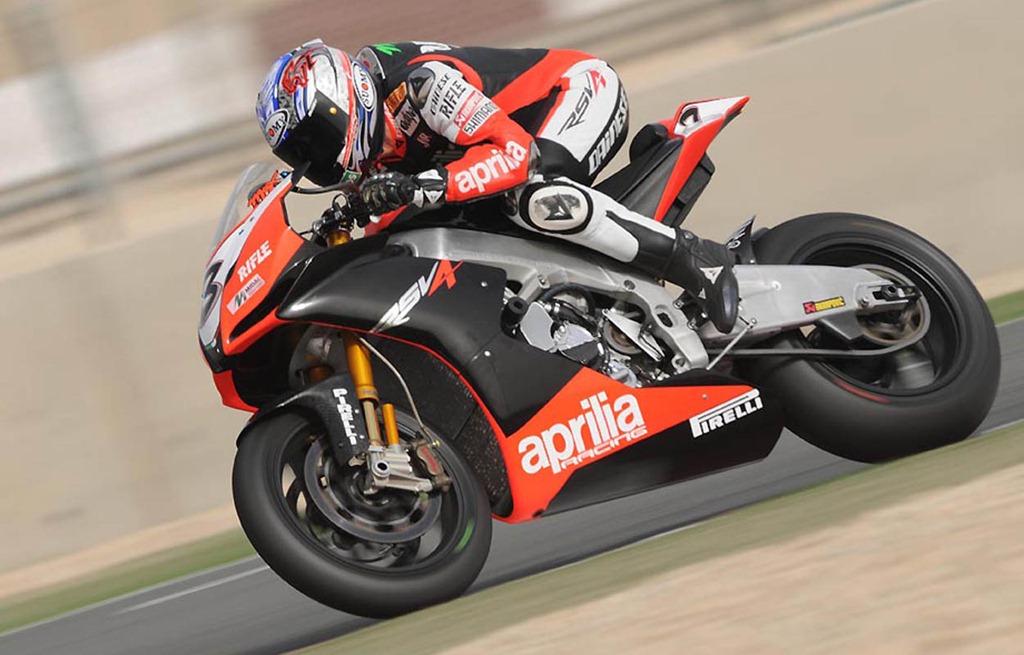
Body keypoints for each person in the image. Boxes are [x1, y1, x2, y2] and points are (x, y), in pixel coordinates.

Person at [255, 40, 738, 333]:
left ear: (344, 96)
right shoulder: (371, 164)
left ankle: (696, 259)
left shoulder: (421, 84)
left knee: (534, 196)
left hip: (575, 93)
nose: (318, 157)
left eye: (315, 137)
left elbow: (515, 156)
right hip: (510, 146)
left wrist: (423, 188)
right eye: (301, 153)